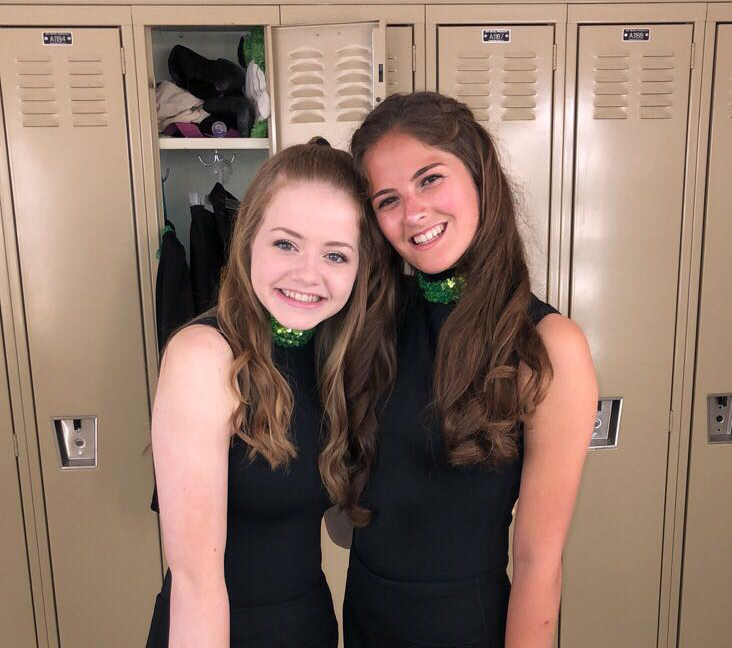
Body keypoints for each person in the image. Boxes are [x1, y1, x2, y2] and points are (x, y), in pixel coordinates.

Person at [342, 92, 598, 648]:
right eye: (388, 199)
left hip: (465, 627)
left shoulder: (546, 346)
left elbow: (537, 562)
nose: (412, 214)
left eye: (429, 179)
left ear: (479, 174)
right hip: (363, 616)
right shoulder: (372, 323)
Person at [145, 139, 373, 648]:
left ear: (358, 269)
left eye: (335, 254)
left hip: (311, 626)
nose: (307, 274)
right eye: (286, 244)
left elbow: (340, 527)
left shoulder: (331, 356)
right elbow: (196, 585)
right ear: (249, 240)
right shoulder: (205, 356)